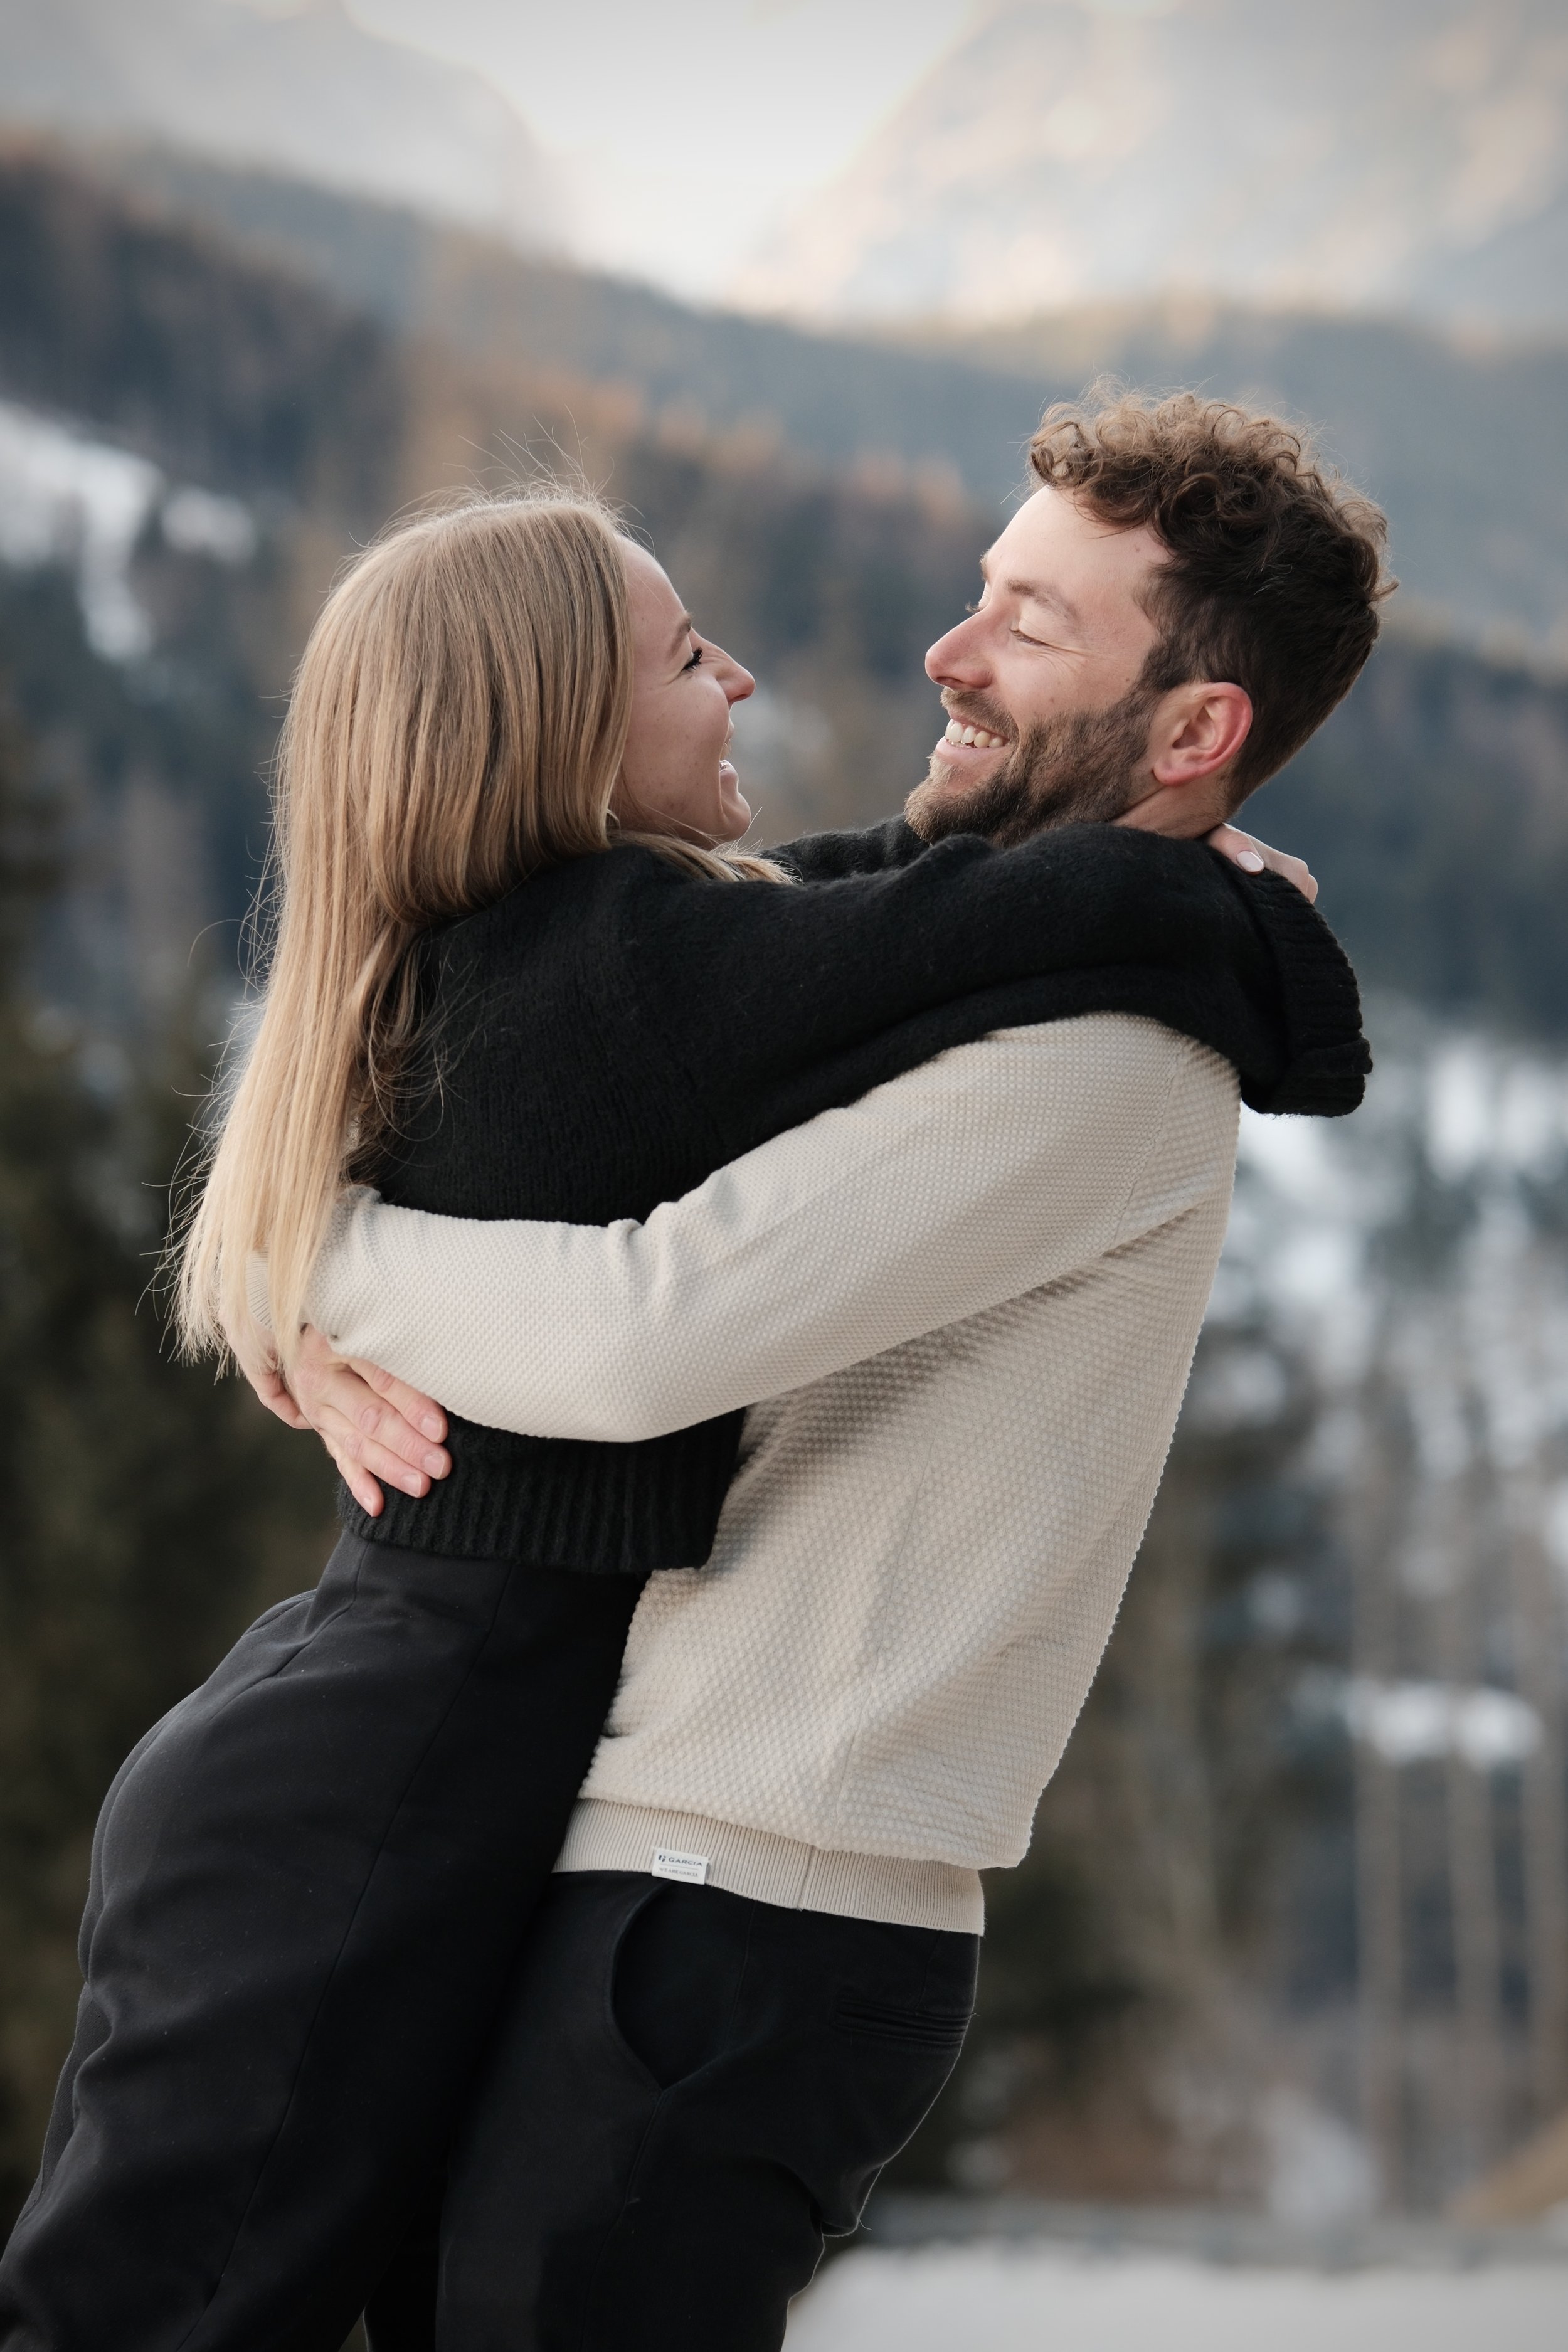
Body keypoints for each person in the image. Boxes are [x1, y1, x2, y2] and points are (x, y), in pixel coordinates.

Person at [0, 415, 1364, 2352]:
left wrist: (312, 1259)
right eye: (976, 593)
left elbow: (646, 1333)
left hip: (748, 1897)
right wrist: (289, 1266)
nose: (944, 653)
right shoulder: (913, 977)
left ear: (1189, 730)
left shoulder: (1111, 1056)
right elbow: (761, 954)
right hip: (610, 1846)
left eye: (1029, 625)